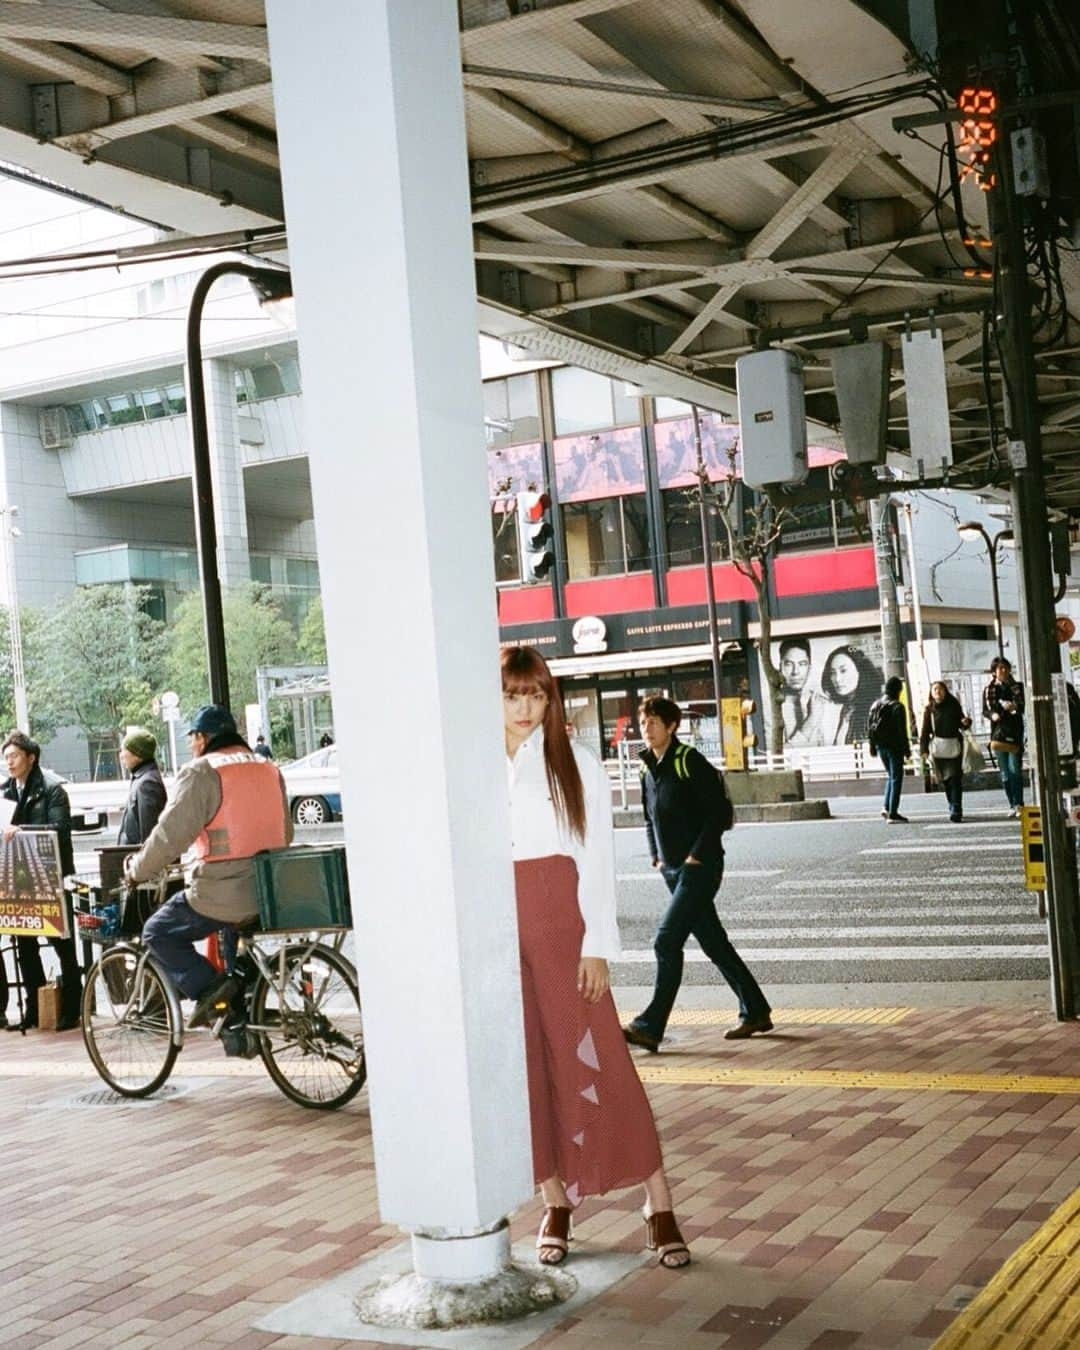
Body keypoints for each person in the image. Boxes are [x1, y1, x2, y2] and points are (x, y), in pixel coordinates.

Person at [502, 647, 690, 1271]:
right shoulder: (470, 763)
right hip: (498, 932)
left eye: (534, 695)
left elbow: (596, 860)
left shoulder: (574, 764)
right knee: (528, 1070)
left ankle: (657, 1200)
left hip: (561, 926)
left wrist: (597, 946)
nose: (524, 708)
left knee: (602, 1058)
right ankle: (556, 1200)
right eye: (511, 695)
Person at [124, 705, 292, 1027]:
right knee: (233, 942)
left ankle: (215, 992)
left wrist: (136, 871)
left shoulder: (203, 771)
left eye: (192, 739)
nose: (191, 746)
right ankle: (240, 1022)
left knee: (157, 931)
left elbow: (169, 836)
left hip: (222, 894)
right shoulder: (269, 767)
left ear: (203, 738)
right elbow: (287, 831)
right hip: (270, 890)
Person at [623, 695, 771, 1046]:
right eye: (644, 723)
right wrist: (656, 857)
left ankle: (650, 1025)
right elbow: (649, 818)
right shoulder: (647, 767)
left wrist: (695, 857)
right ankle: (756, 1010)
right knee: (714, 943)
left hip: (699, 869)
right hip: (671, 870)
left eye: (654, 722)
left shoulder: (688, 761)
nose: (647, 728)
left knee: (666, 941)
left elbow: (719, 812)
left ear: (672, 726)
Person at [0, 731, 81, 1031]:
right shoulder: (6, 791)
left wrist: (21, 830)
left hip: (50, 879)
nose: (9, 762)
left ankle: (72, 1008)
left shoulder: (52, 790)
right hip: (18, 881)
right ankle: (33, 1009)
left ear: (30, 758)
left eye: (14, 756)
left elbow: (59, 830)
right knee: (24, 945)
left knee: (62, 944)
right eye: (6, 757)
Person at [918, 682, 971, 824]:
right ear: (931, 693)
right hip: (939, 750)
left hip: (954, 747)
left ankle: (956, 808)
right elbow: (925, 731)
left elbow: (962, 723)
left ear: (945, 691)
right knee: (946, 780)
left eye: (940, 689)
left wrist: (966, 722)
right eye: (935, 689)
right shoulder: (929, 710)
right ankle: (952, 804)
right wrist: (923, 750)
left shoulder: (953, 705)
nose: (938, 692)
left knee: (955, 778)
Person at [983, 657, 1025, 817]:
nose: (1003, 671)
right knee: (1005, 773)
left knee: (1015, 769)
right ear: (994, 672)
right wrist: (993, 714)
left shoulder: (1017, 687)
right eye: (1000, 668)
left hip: (1014, 732)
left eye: (1005, 668)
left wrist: (1014, 706)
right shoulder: (989, 689)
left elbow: (1023, 705)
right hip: (998, 733)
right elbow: (985, 710)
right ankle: (1011, 803)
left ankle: (1019, 804)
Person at [867, 677, 912, 823]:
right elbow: (902, 731)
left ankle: (886, 807)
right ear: (899, 690)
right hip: (894, 747)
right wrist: (907, 749)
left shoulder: (876, 704)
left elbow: (869, 728)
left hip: (880, 746)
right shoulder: (897, 706)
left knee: (891, 776)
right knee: (896, 778)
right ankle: (893, 813)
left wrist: (872, 746)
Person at [821, 645, 882, 745]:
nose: (837, 679)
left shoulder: (873, 710)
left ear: (860, 671)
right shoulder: (846, 708)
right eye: (832, 673)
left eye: (843, 671)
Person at [117, 728, 167, 845]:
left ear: (137, 755)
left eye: (125, 750)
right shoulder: (142, 778)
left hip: (139, 860)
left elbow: (149, 835)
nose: (121, 755)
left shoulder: (147, 784)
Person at [778, 637, 825, 746]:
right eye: (789, 664)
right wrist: (811, 721)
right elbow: (775, 759)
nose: (796, 672)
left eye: (802, 664)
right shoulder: (770, 708)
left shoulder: (818, 702)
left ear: (810, 668)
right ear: (780, 667)